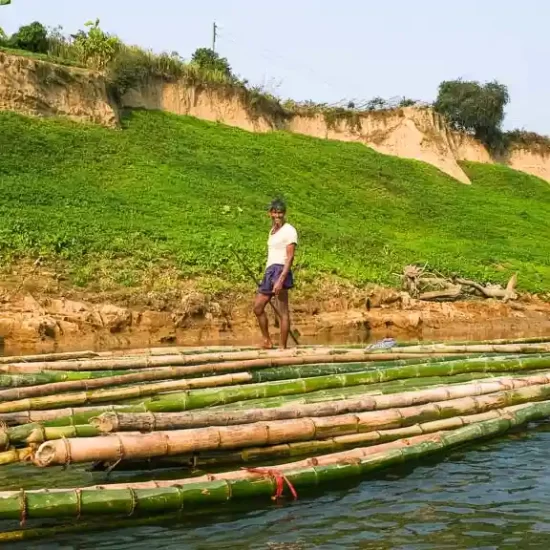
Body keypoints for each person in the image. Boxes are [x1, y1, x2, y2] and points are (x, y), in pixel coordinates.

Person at [253, 198, 298, 349]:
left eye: (280, 213)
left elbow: (290, 256)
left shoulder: (289, 230)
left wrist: (281, 279)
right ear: (270, 213)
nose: (277, 215)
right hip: (270, 271)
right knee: (258, 307)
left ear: (284, 214)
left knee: (282, 311)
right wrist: (267, 274)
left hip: (280, 270)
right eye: (275, 212)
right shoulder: (272, 231)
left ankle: (282, 347)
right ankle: (267, 340)